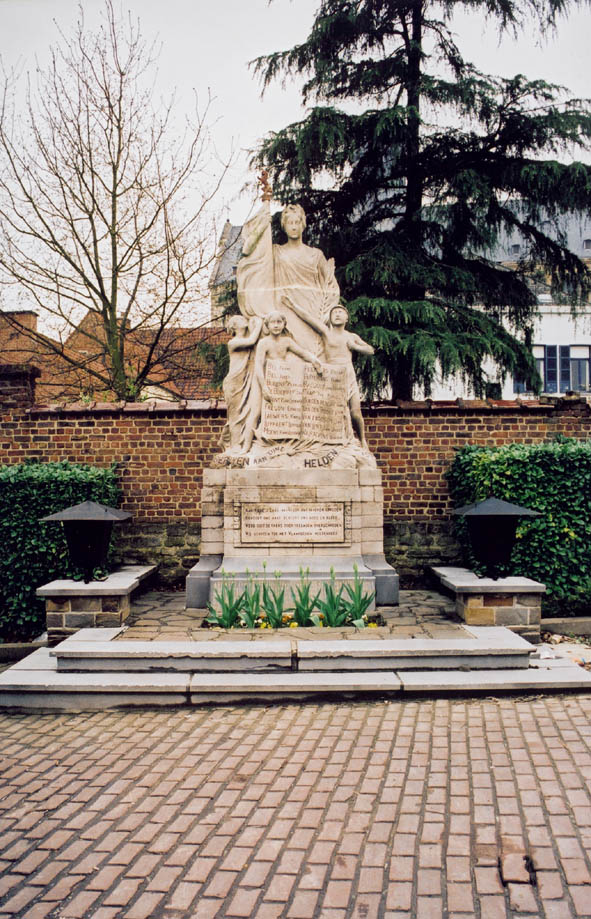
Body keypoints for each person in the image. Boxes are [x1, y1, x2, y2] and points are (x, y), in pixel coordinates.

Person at [282, 297, 374, 449]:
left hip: (348, 373)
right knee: (333, 411)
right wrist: (293, 305)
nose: (337, 314)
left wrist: (354, 346)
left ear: (346, 318)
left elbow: (370, 350)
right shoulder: (326, 332)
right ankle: (334, 441)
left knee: (355, 411)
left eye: (340, 312)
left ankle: (362, 439)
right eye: (334, 312)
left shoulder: (351, 336)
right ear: (330, 318)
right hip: (332, 375)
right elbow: (308, 318)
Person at [242, 311, 323, 452]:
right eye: (273, 322)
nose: (276, 325)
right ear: (267, 325)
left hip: (280, 380)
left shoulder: (287, 341)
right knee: (255, 413)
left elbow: (302, 353)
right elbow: (258, 366)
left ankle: (282, 445)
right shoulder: (264, 343)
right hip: (262, 379)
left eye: (279, 322)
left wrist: (315, 361)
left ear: (284, 324)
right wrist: (264, 387)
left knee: (285, 412)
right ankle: (245, 447)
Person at [220, 315, 263, 453]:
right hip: (234, 381)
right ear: (234, 326)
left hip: (247, 379)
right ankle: (234, 445)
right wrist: (260, 323)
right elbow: (252, 340)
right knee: (235, 415)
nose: (244, 319)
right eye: (239, 319)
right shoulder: (233, 342)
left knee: (248, 412)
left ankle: (245, 441)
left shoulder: (245, 340)